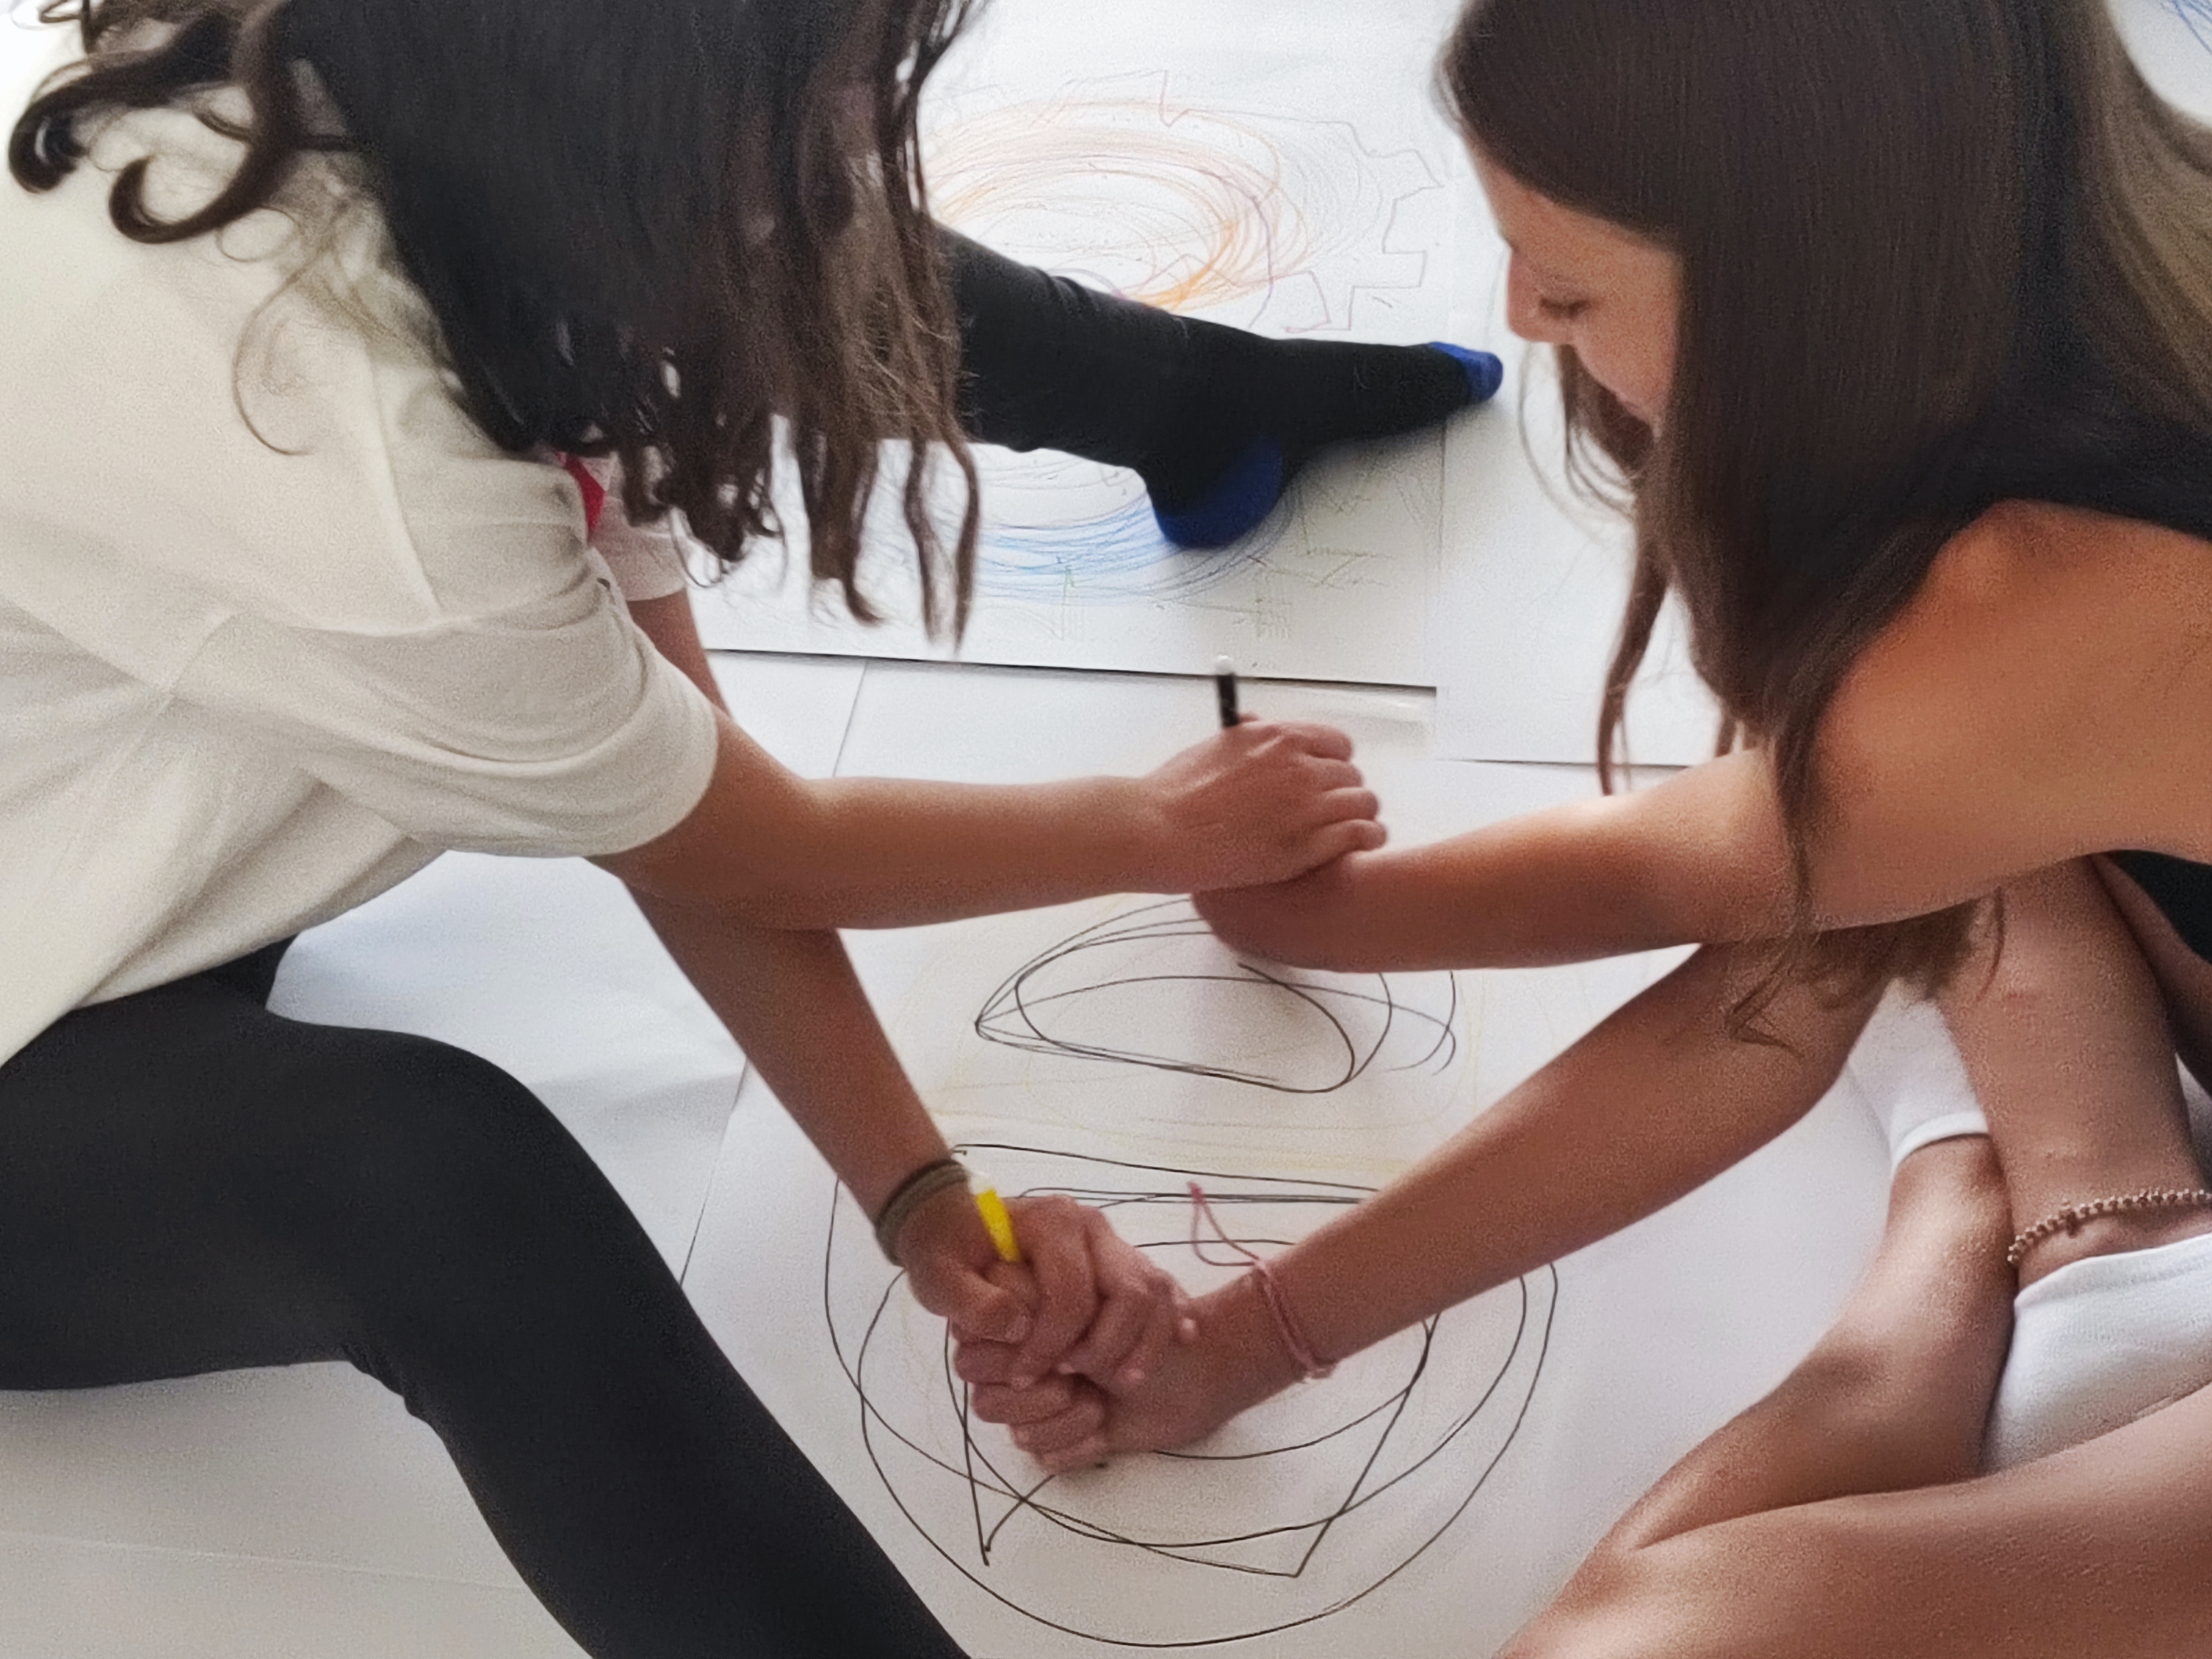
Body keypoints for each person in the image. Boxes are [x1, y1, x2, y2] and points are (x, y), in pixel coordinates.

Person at [0, 0, 1434, 1653]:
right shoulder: (352, 445)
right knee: (437, 1186)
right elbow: (743, 843)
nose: (865, 146)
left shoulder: (447, 151)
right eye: (830, 97)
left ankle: (1207, 402)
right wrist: (1151, 827)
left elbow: (679, 789)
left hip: (80, 882)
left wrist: (924, 1204)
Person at [958, 1, 2212, 1650]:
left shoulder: (2039, 622)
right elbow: (1790, 892)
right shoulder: (2131, 271)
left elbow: (1732, 946)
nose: (1517, 317)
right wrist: (1238, 1338)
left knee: (1653, 1627)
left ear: (1809, 293)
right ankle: (2045, 1215)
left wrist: (1310, 920)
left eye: (1566, 288)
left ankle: (2000, 1215)